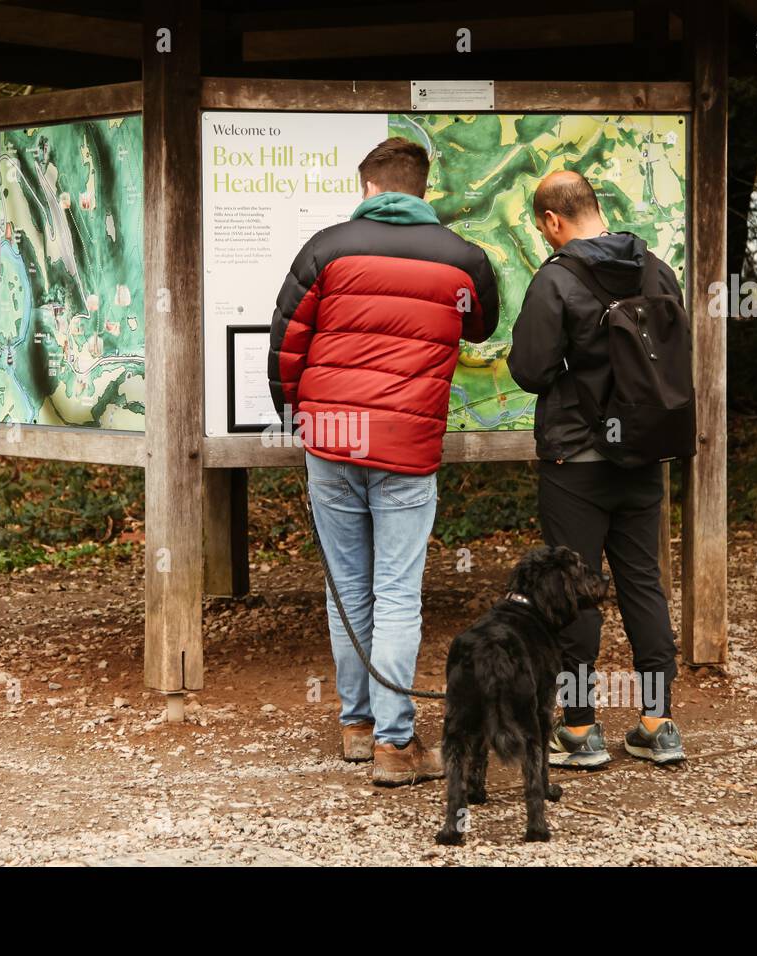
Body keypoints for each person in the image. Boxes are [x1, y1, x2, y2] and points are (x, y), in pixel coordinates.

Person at [268, 137, 499, 786]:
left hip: (331, 440)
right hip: (406, 447)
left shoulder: (327, 249)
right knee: (396, 593)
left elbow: (286, 343)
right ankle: (397, 747)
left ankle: (357, 726)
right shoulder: (463, 259)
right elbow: (480, 324)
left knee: (347, 587)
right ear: (421, 190)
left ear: (368, 188)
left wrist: (294, 416)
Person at [507, 169, 686, 767]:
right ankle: (657, 724)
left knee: (576, 589)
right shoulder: (657, 269)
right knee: (643, 582)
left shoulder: (555, 279)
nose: (543, 238)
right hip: (640, 454)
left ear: (554, 221)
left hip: (575, 460)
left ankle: (581, 730)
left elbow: (530, 370)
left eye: (541, 228)